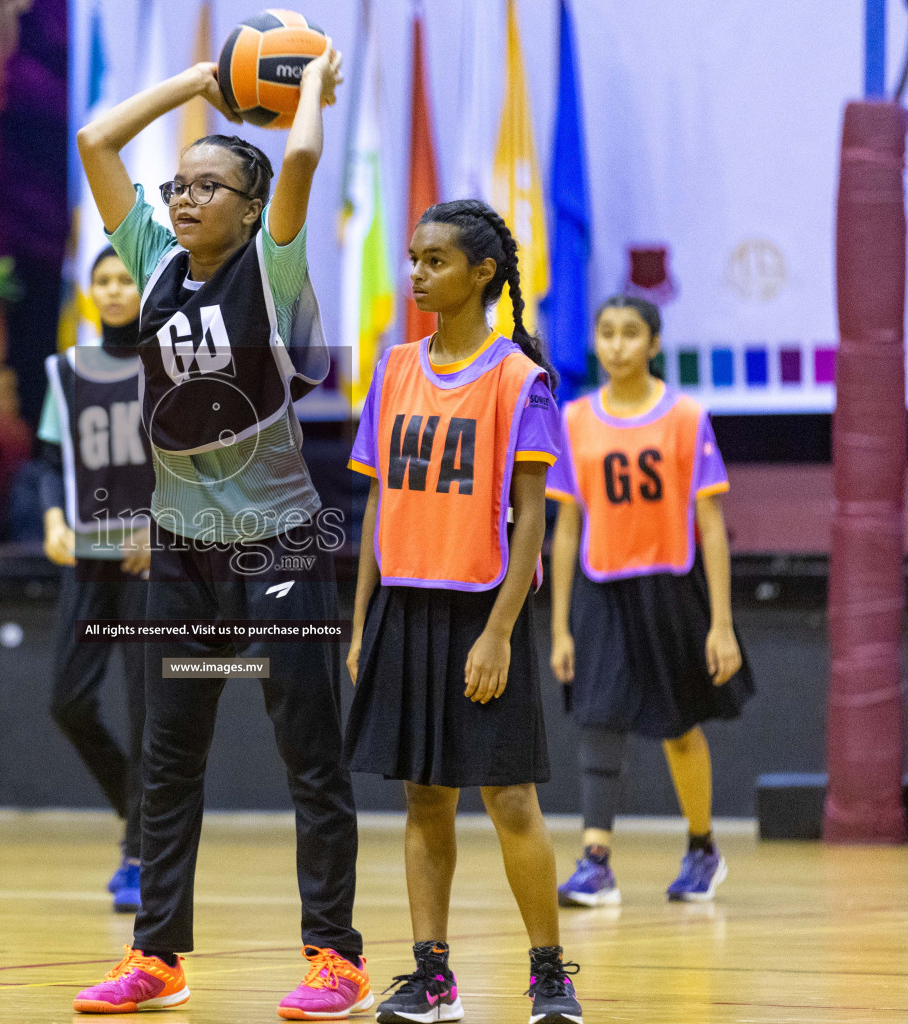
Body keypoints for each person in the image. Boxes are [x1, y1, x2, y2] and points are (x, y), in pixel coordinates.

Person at [71, 47, 373, 1021]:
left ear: (249, 209)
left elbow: (304, 164)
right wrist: (199, 84)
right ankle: (158, 956)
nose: (190, 196)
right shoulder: (155, 259)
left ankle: (337, 956)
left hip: (279, 547)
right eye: (182, 183)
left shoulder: (270, 264)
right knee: (170, 753)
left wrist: (312, 91)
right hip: (184, 552)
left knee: (309, 752)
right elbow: (94, 138)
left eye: (213, 185)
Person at [345, 200, 584, 1024]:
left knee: (510, 799)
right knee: (424, 799)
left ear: (482, 273)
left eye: (435, 260)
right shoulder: (394, 367)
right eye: (413, 258)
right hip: (404, 612)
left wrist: (499, 632)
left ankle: (550, 975)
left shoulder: (520, 381)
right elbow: (379, 502)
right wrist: (360, 620)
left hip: (480, 612)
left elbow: (532, 521)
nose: (416, 273)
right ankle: (432, 975)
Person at [546, 295, 754, 908]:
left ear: (654, 344)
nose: (616, 345)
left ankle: (701, 848)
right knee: (598, 719)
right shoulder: (576, 419)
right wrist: (558, 626)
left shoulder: (686, 417)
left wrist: (721, 623)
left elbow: (710, 524)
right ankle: (595, 861)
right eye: (606, 333)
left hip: (671, 588)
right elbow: (564, 529)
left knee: (680, 730)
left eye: (630, 334)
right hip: (600, 589)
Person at [38, 246, 154, 913]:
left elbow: (197, 461)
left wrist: (161, 523)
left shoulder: (170, 367)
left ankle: (140, 854)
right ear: (90, 293)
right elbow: (52, 460)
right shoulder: (68, 372)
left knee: (147, 713)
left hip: (149, 561)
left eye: (125, 279)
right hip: (88, 556)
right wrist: (53, 518)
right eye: (103, 281)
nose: (114, 290)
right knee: (68, 702)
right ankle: (141, 819)